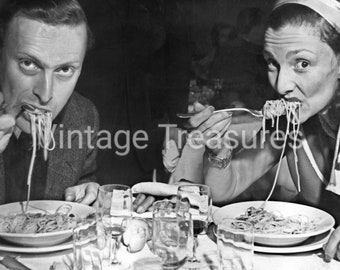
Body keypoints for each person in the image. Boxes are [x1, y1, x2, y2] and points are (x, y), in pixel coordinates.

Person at [132, 0, 340, 261]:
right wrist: (220, 150)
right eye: (272, 63)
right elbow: (224, 189)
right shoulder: (287, 123)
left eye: (302, 64)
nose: (281, 84)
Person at [0, 0, 99, 205]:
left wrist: (87, 190)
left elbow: (82, 177)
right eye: (28, 64)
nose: (45, 95)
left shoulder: (84, 115)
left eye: (64, 70)